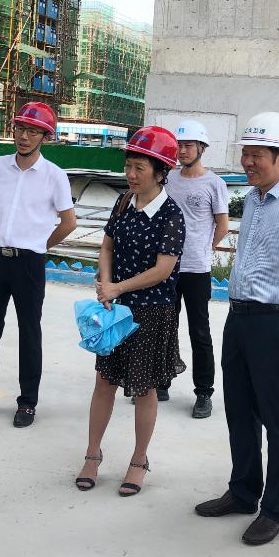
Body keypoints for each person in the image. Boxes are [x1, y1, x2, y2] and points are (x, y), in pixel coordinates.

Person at [194, 112, 279, 545]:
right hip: (240, 317)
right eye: (245, 153)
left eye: (257, 155)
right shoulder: (253, 199)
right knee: (239, 409)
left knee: (276, 416)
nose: (248, 162)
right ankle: (243, 492)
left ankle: (275, 509)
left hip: (276, 320)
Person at [74, 126, 187, 497]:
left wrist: (118, 288)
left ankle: (139, 460)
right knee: (103, 381)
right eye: (129, 166)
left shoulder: (171, 215)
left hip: (150, 313)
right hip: (116, 308)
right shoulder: (124, 202)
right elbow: (107, 246)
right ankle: (92, 453)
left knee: (144, 388)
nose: (131, 174)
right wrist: (106, 285)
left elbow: (163, 270)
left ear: (161, 171)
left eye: (140, 168)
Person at [0, 102, 77, 428]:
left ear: (45, 137)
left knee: (29, 333)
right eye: (20, 129)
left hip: (29, 264)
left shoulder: (55, 176)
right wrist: (4, 235)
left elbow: (68, 222)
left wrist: (39, 245)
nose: (24, 136)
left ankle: (27, 403)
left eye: (33, 131)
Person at [155, 118, 230, 418]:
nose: (183, 151)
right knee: (164, 326)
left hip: (196, 270)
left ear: (202, 148)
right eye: (179, 146)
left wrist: (203, 248)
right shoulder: (168, 179)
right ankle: (161, 383)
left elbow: (222, 225)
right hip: (165, 268)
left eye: (188, 145)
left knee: (199, 332)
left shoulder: (214, 184)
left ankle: (203, 393)